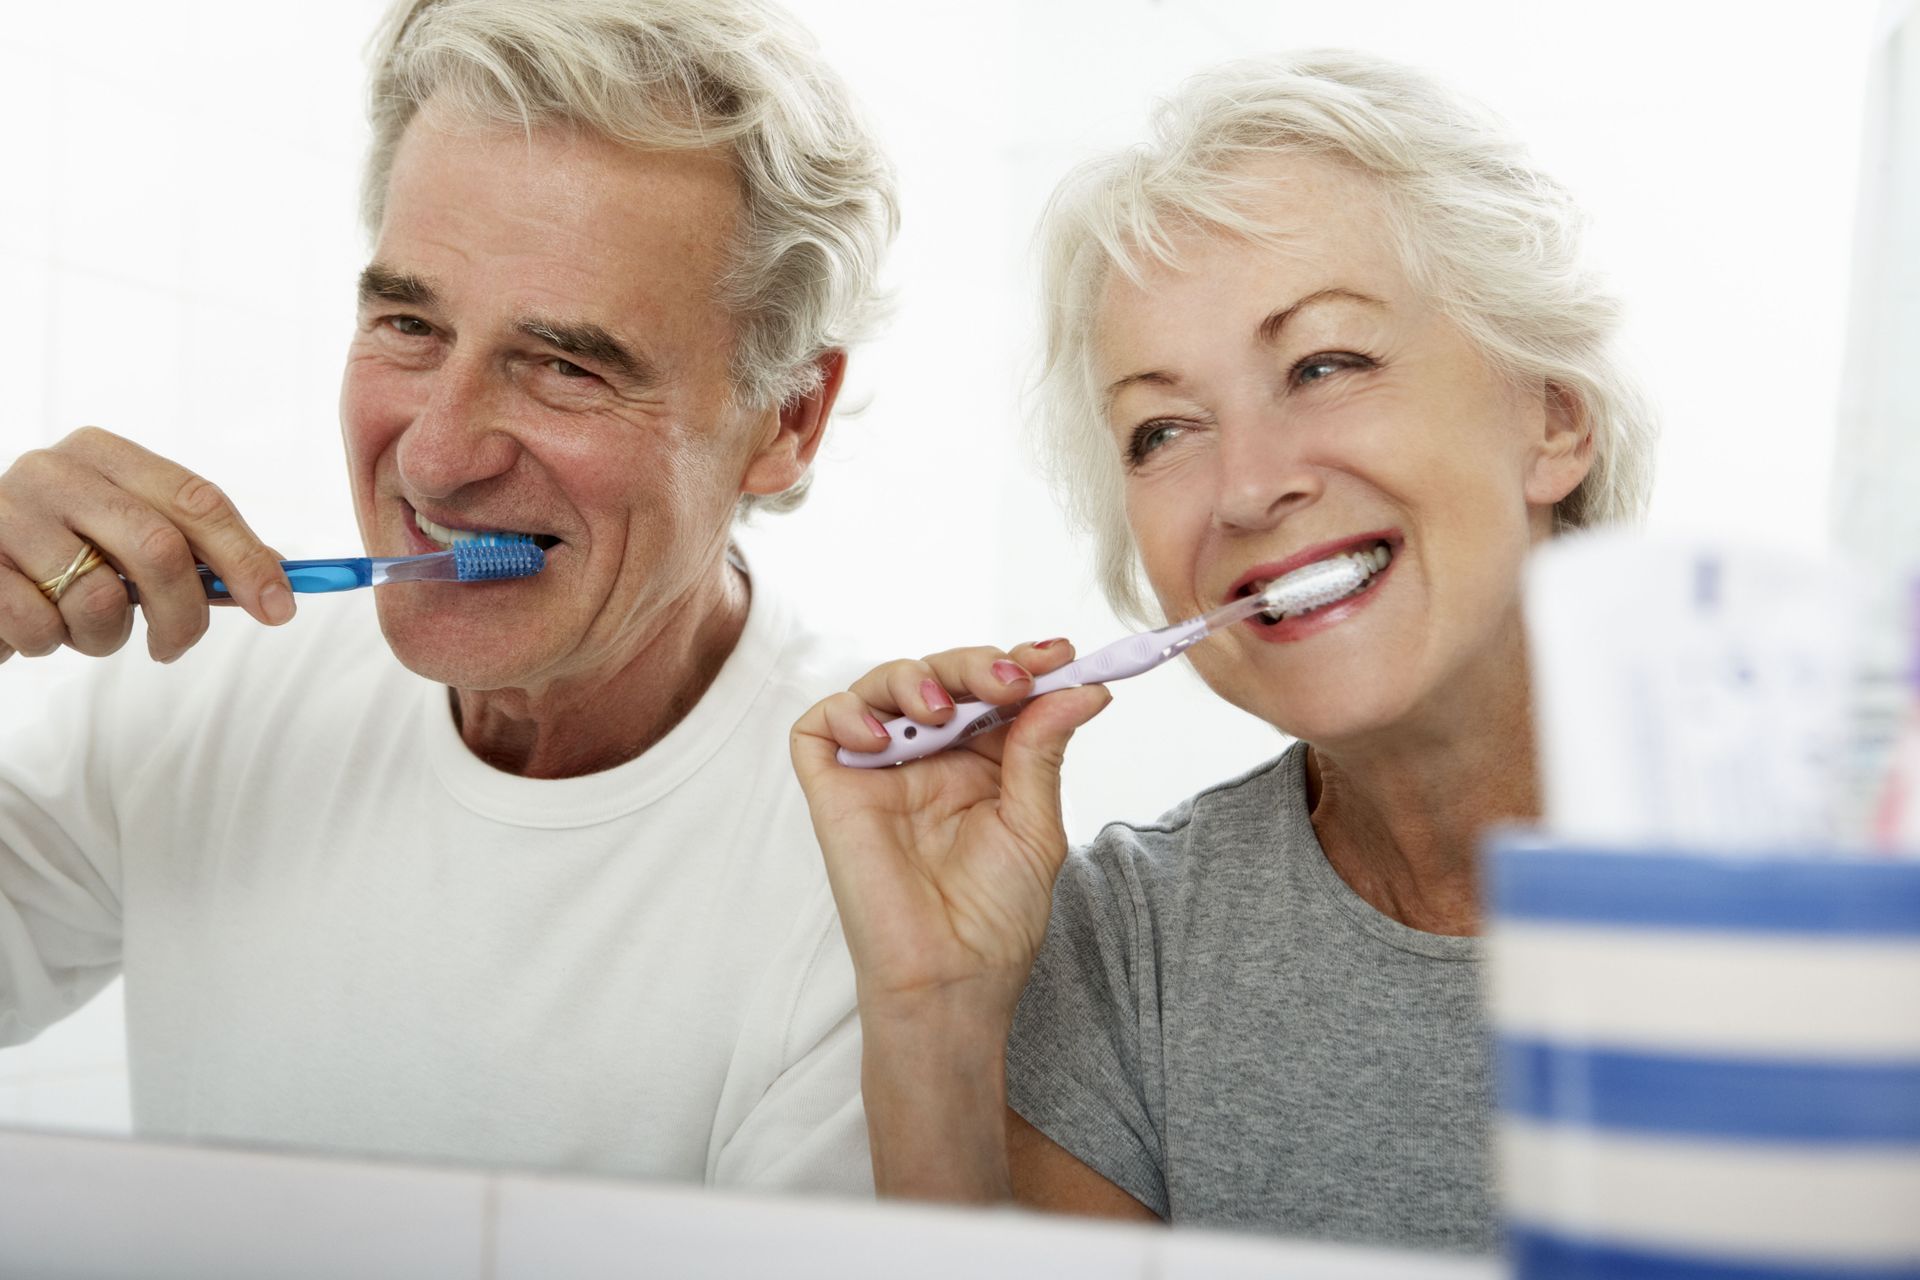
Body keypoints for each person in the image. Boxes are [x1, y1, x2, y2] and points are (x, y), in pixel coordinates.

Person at [0, 0, 895, 1192]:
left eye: (567, 365)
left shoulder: (875, 864)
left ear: (788, 417)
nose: (432, 457)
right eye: (410, 324)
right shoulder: (207, 684)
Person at [791, 51, 1655, 1248]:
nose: (1247, 488)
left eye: (1324, 363)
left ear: (1554, 416)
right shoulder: (1120, 943)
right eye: (1162, 429)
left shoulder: (1848, 853)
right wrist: (933, 1011)